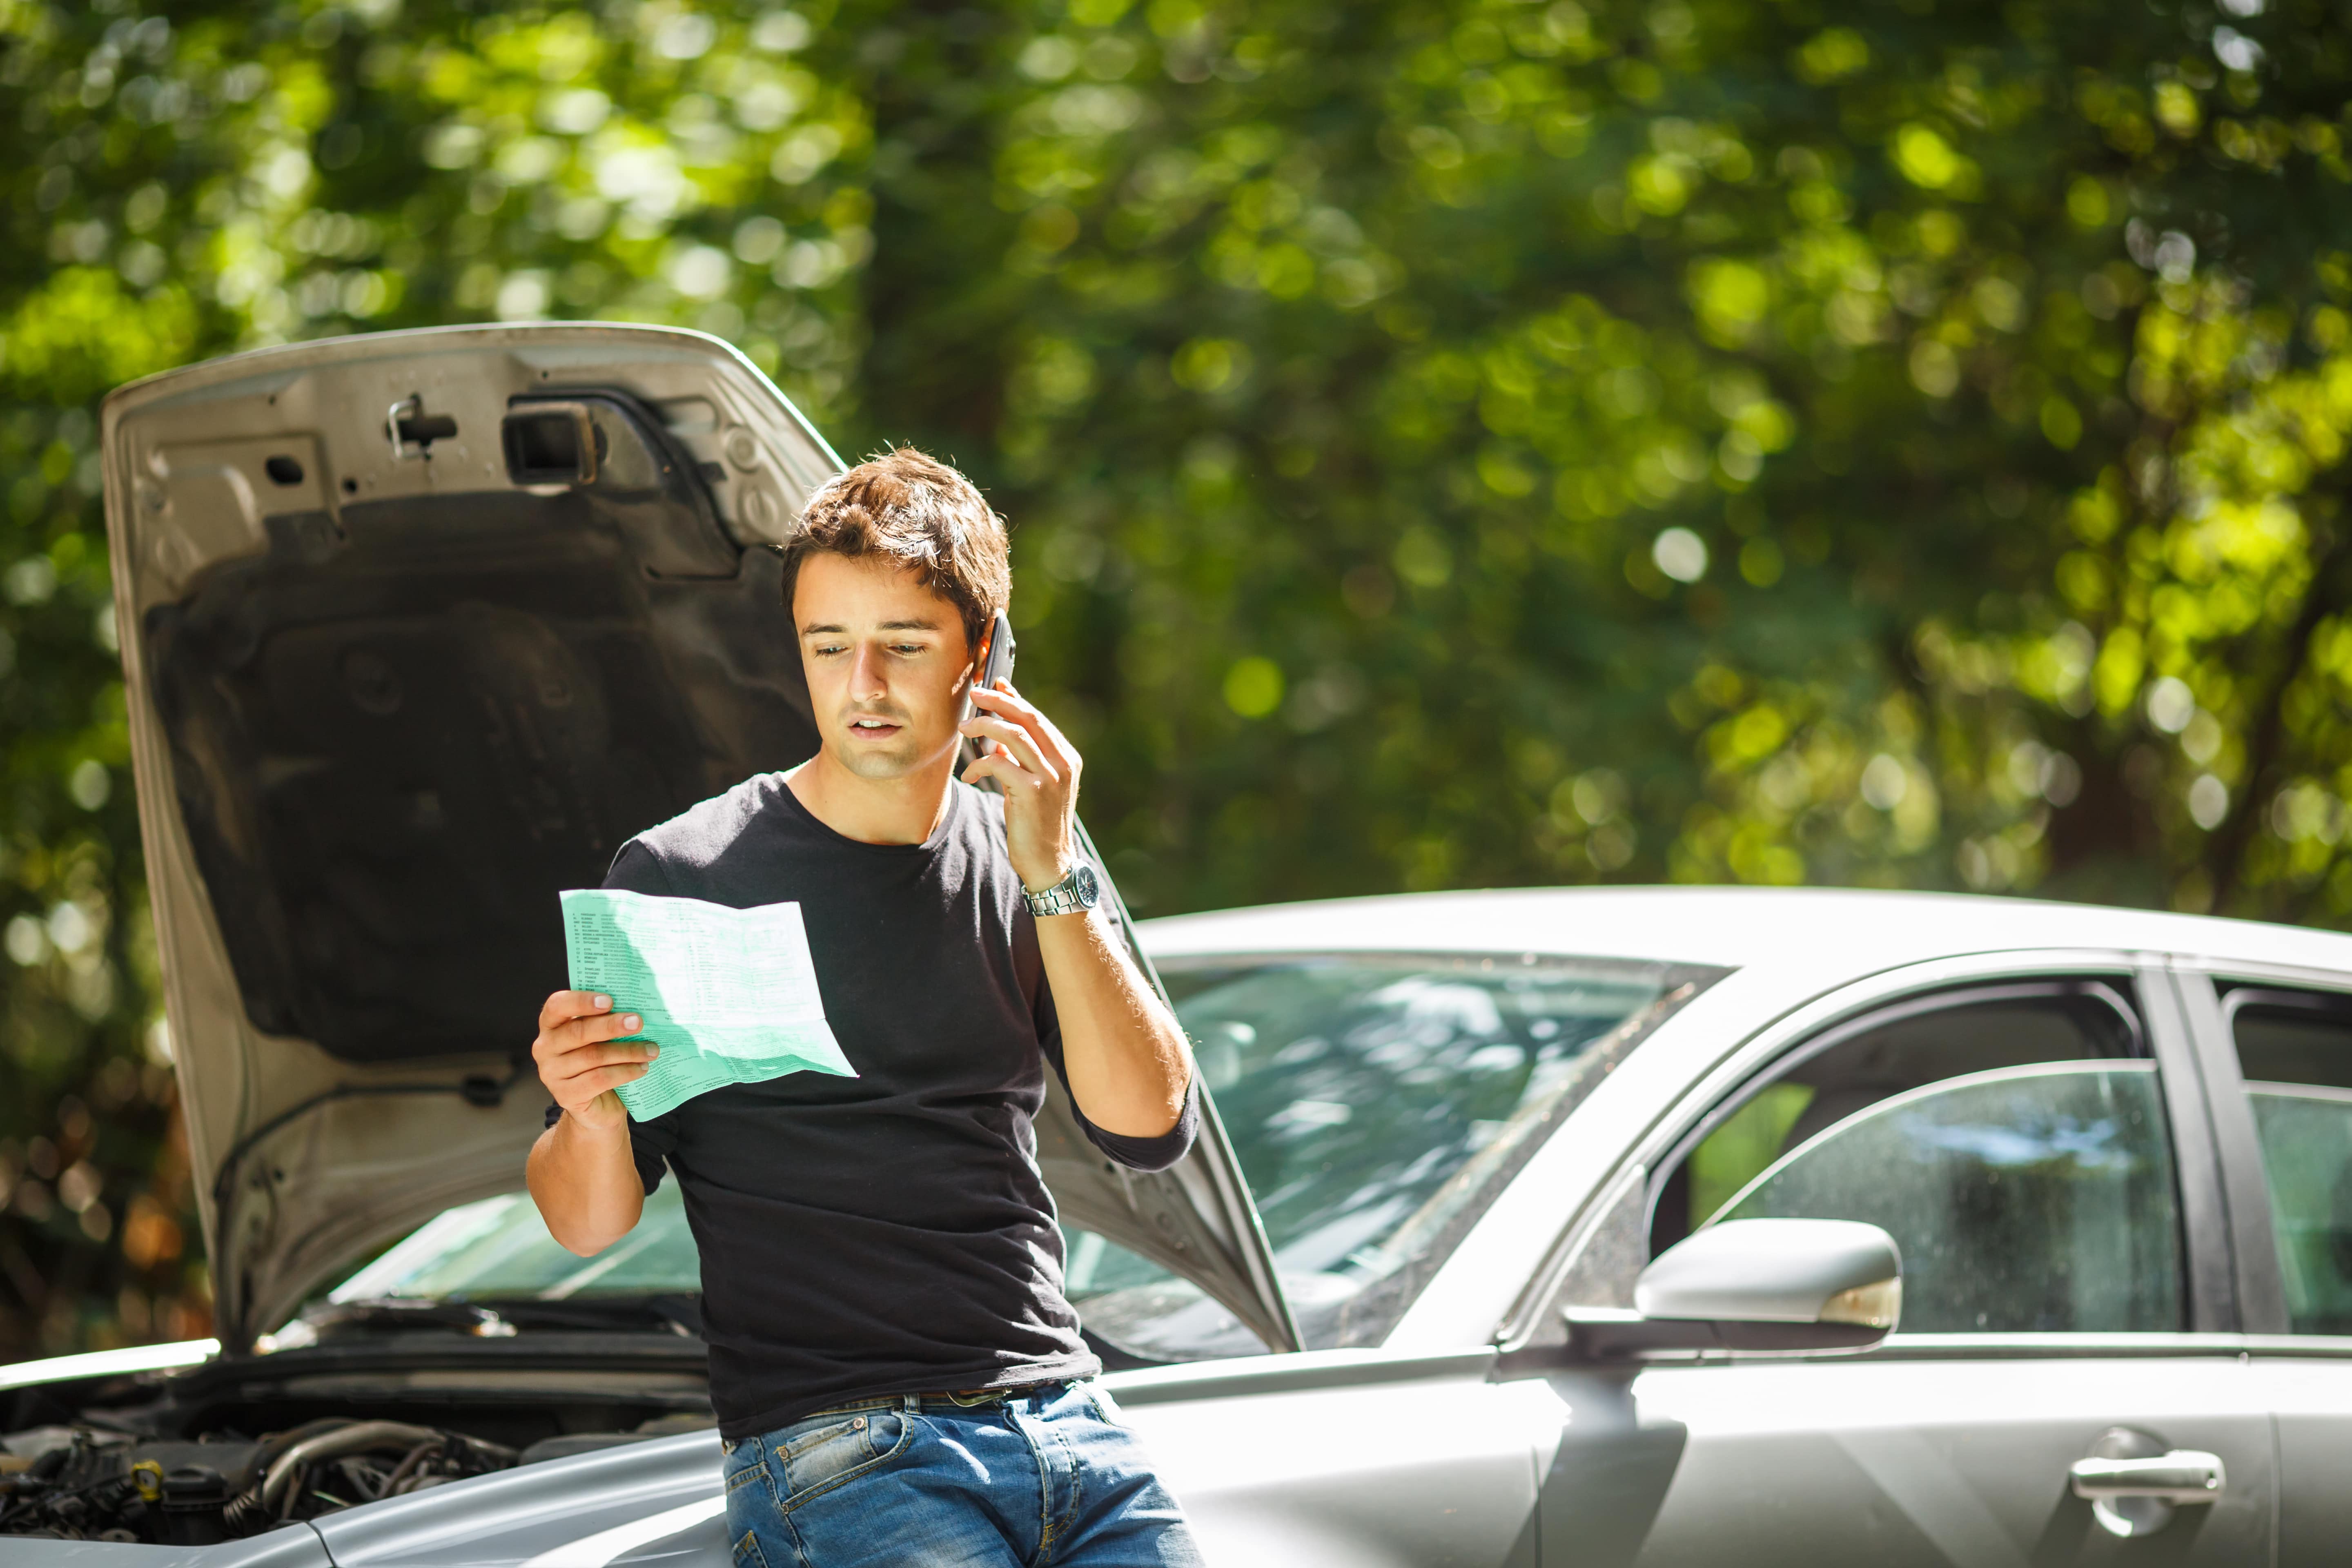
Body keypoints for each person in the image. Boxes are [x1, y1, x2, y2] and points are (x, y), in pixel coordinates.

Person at [523, 448, 1204, 1566]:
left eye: (904, 645)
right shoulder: (684, 871)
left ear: (982, 658)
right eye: (829, 647)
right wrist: (588, 1112)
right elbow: (586, 1221)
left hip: (1069, 1422)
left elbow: (1149, 1128)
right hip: (839, 1452)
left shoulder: (1028, 855)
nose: (863, 687)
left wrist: (1054, 870)